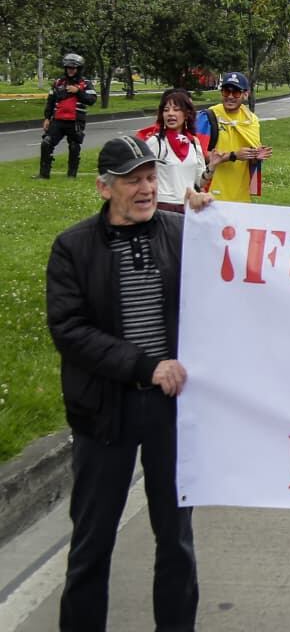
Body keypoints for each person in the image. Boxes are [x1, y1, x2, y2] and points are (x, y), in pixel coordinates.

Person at [46, 136, 213, 632]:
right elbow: (69, 330)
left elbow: (232, 277)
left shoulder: (182, 233)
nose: (145, 189)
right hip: (105, 413)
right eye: (132, 180)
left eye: (150, 178)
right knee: (92, 544)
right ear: (104, 188)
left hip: (170, 412)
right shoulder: (73, 247)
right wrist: (145, 367)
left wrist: (214, 222)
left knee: (176, 541)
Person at [135, 88, 210, 213]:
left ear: (186, 114)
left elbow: (199, 181)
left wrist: (213, 166)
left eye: (176, 109)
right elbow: (139, 174)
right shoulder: (156, 142)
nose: (170, 114)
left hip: (188, 207)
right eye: (166, 110)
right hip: (163, 207)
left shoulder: (193, 142)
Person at [207, 72, 271, 202]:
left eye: (236, 92)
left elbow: (251, 156)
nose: (230, 96)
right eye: (226, 91)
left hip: (241, 193)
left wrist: (256, 156)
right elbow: (198, 154)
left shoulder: (252, 120)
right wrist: (233, 155)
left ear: (245, 94)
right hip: (211, 192)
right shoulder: (209, 116)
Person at [39, 52, 97, 179]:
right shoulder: (58, 82)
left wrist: (78, 91)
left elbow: (92, 100)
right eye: (68, 68)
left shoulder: (85, 83)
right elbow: (50, 101)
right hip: (58, 120)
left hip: (75, 121)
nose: (70, 70)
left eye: (73, 68)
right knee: (46, 142)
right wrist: (47, 118)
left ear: (78, 69)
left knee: (74, 146)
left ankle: (71, 175)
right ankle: (43, 174)